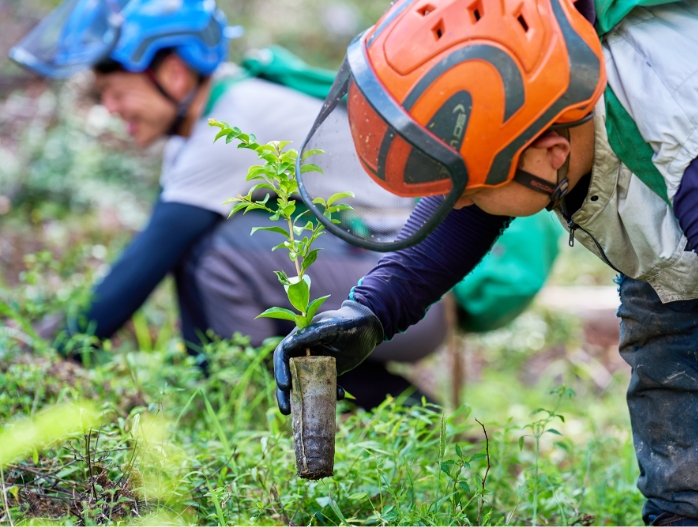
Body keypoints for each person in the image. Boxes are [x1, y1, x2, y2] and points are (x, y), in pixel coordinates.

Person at [271, 0, 698, 524]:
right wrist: (372, 309)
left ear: (552, 152)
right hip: (683, 223)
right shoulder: (534, 75)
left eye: (469, 193)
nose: (460, 205)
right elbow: (476, 184)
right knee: (686, 482)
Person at [9, 0, 564, 410]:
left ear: (172, 72)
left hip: (410, 293)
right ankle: (408, 413)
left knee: (213, 252)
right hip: (386, 291)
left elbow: (140, 268)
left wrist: (37, 358)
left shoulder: (235, 117)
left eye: (115, 91)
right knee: (224, 249)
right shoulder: (196, 131)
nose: (111, 108)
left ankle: (237, 408)